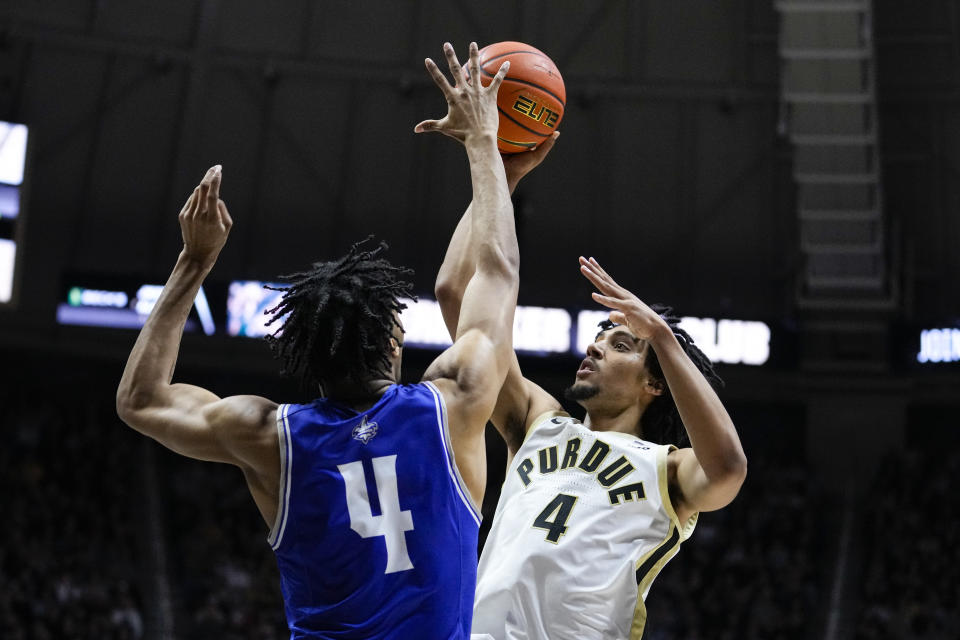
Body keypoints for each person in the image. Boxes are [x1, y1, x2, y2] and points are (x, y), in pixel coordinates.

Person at [117, 41, 517, 639]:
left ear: (307, 359)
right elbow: (494, 273)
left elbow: (141, 400)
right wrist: (488, 151)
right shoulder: (455, 401)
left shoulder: (269, 435)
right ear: (393, 342)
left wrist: (194, 263)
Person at [435, 158, 748, 639]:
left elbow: (728, 469)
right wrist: (500, 178)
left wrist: (661, 336)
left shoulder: (667, 469)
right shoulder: (536, 421)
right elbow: (456, 293)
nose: (596, 345)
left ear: (655, 384)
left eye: (621, 344)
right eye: (601, 337)